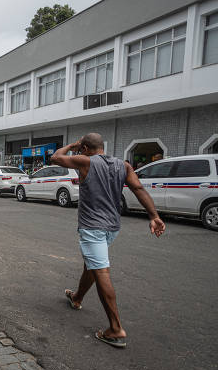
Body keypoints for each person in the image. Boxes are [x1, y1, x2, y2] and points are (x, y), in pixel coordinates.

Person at [51, 133, 165, 349]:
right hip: (112, 227)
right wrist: (154, 216)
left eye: (81, 147)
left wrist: (71, 145)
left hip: (93, 227)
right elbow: (138, 189)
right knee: (92, 265)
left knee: (100, 271)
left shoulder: (84, 161)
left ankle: (115, 328)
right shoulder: (124, 165)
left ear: (85, 147)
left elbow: (56, 157)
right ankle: (77, 298)